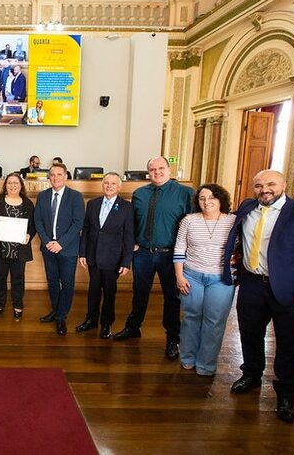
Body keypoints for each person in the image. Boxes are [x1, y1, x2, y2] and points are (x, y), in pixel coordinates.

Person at [225, 170, 294, 423]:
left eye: (271, 184)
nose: (265, 189)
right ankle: (251, 374)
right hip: (251, 283)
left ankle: (286, 394)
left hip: (290, 289)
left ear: (284, 185)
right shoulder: (248, 206)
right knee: (249, 334)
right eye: (259, 185)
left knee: (290, 344)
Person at [113, 157, 194, 361]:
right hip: (143, 254)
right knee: (139, 293)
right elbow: (132, 223)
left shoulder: (185, 193)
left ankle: (173, 338)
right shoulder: (139, 193)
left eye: (160, 168)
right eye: (152, 169)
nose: (156, 172)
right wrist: (132, 244)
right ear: (147, 172)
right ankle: (133, 327)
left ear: (168, 169)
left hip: (170, 255)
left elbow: (192, 225)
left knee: (172, 297)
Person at [173, 183, 236, 375]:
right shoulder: (189, 220)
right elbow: (179, 249)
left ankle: (206, 364)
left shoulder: (233, 221)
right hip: (192, 276)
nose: (206, 202)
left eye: (211, 198)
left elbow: (241, 248)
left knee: (214, 321)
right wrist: (179, 276)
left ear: (220, 200)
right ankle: (188, 358)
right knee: (191, 317)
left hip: (221, 279)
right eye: (202, 198)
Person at [77, 172, 134, 338]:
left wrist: (126, 261)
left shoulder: (126, 207)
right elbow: (86, 230)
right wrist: (82, 253)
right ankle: (91, 320)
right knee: (93, 290)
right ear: (102, 185)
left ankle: (106, 323)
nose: (109, 186)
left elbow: (129, 236)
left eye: (113, 184)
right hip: (93, 256)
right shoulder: (93, 204)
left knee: (109, 292)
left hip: (113, 258)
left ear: (119, 187)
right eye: (106, 183)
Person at [34, 163, 85, 335]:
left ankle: (62, 317)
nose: (55, 178)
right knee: (52, 281)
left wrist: (60, 243)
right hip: (48, 247)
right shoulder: (42, 196)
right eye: (52, 175)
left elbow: (78, 223)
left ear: (66, 176)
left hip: (67, 248)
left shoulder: (76, 196)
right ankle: (56, 311)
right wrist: (48, 241)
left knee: (68, 283)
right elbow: (38, 221)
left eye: (59, 174)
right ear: (49, 177)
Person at [0, 173, 36, 320]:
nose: (13, 186)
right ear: (5, 185)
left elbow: (33, 225)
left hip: (19, 249)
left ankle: (18, 304)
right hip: (0, 247)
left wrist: (29, 236)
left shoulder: (27, 203)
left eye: (16, 183)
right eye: (10, 183)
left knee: (18, 278)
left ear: (21, 185)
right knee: (0, 277)